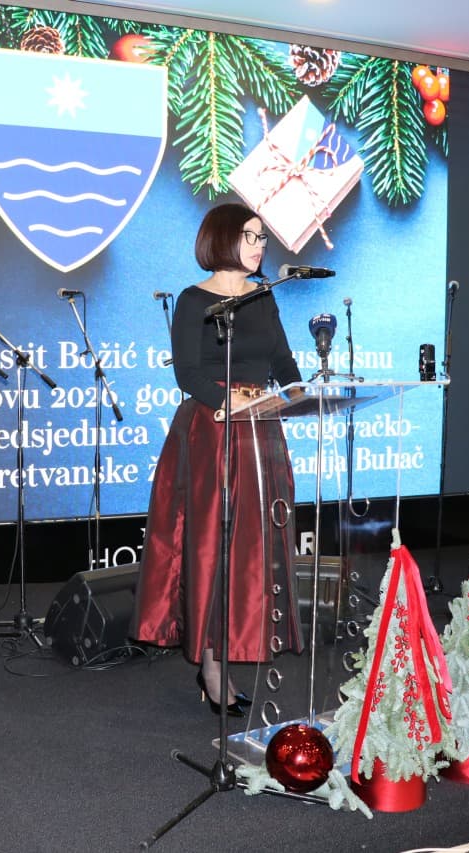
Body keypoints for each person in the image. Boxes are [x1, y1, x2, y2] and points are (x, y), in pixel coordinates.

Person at [131, 202, 304, 717]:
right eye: (250, 237)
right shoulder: (194, 300)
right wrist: (230, 400)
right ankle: (209, 667)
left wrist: (299, 391)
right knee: (211, 548)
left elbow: (282, 359)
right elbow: (187, 373)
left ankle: (241, 643)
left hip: (259, 431)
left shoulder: (263, 296)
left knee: (252, 550)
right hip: (211, 430)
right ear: (223, 239)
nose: (259, 246)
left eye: (262, 239)